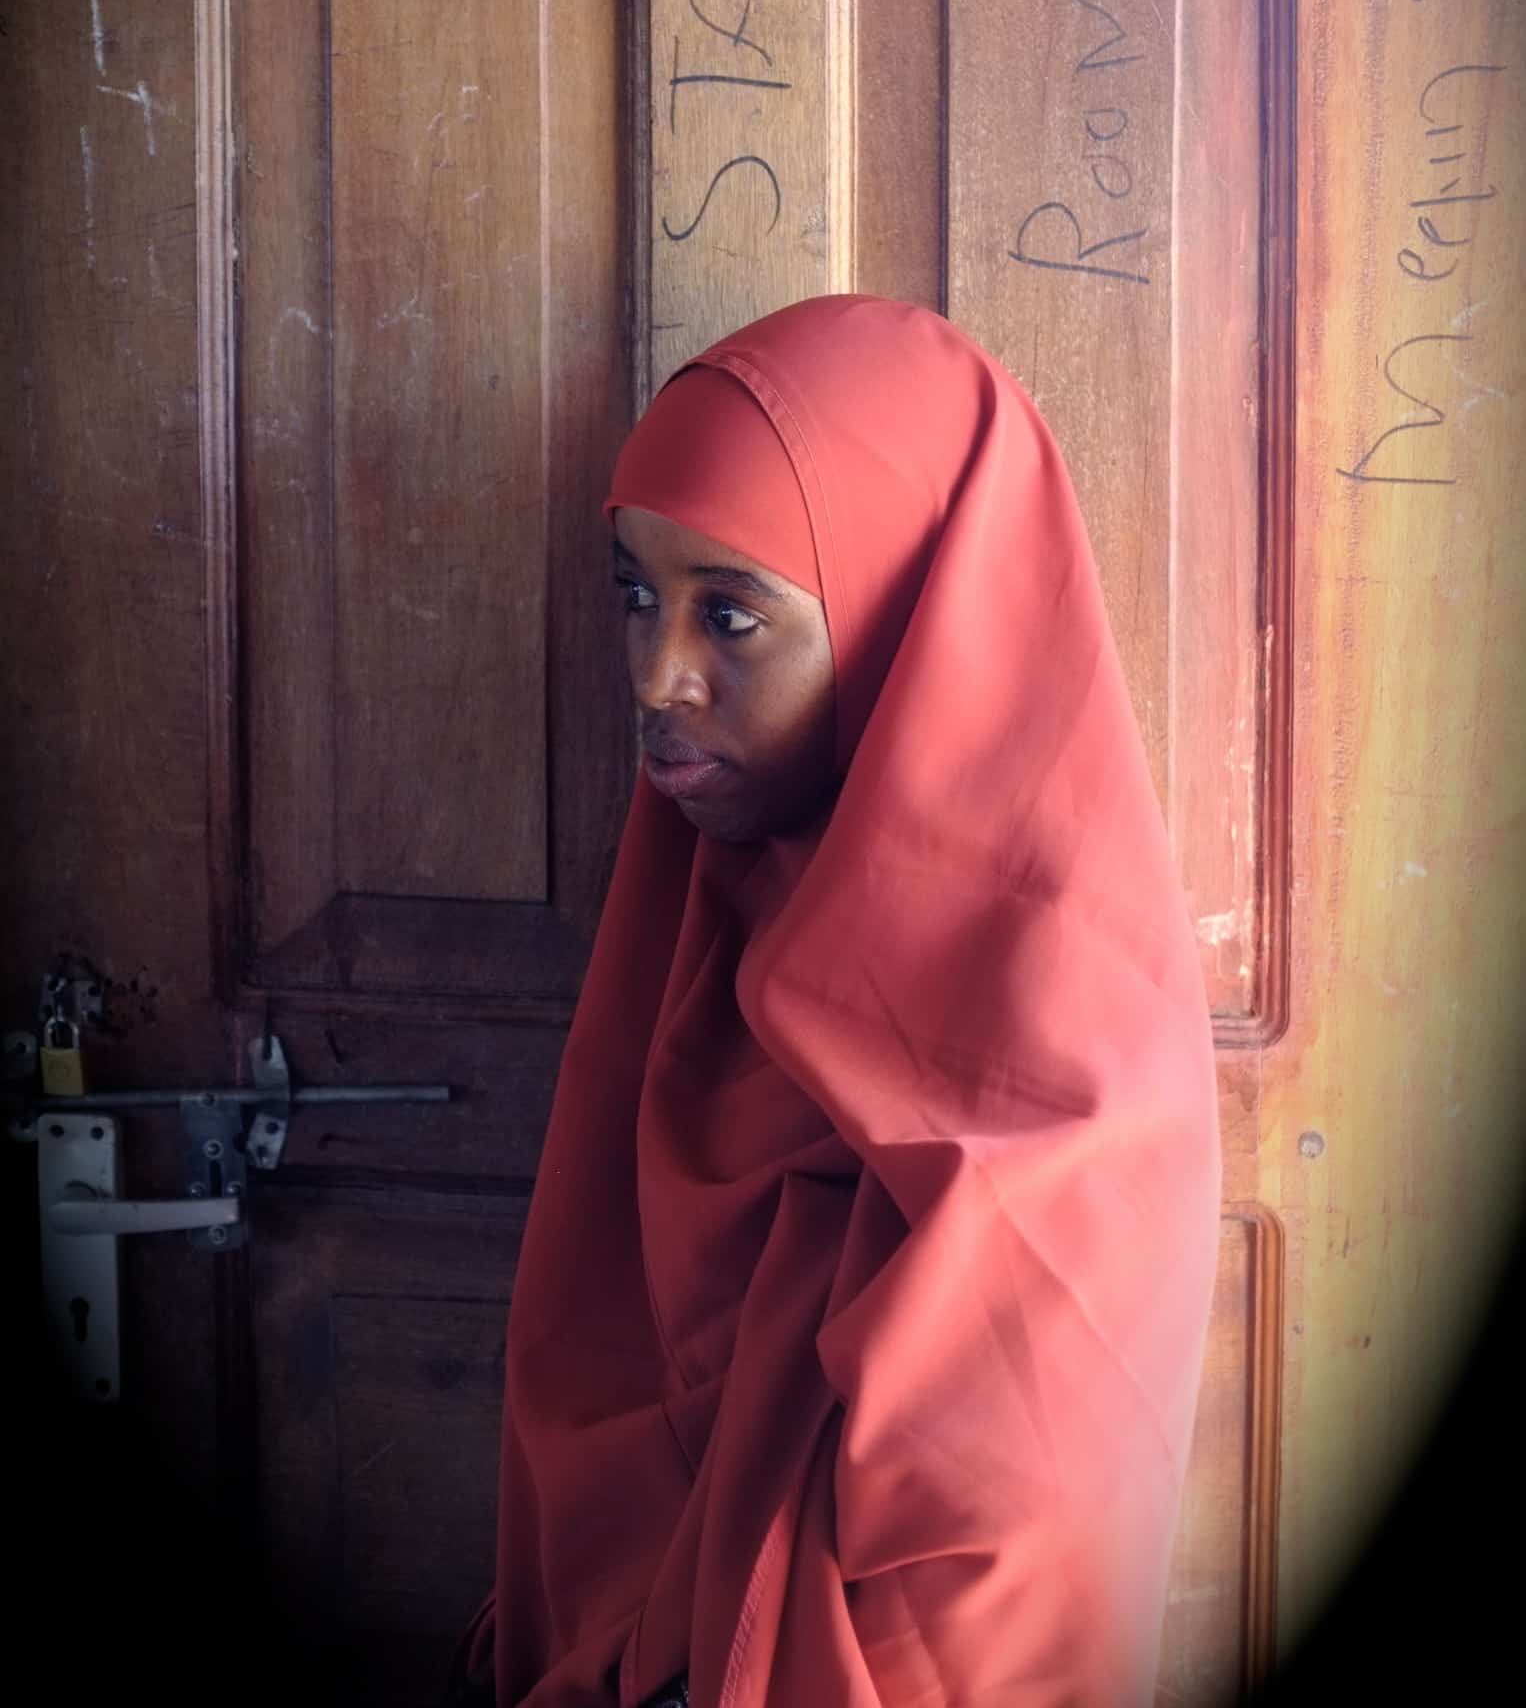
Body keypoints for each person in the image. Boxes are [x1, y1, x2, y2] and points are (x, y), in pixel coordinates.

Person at [451, 293, 1220, 1706]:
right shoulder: (700, 913)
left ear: (901, 621)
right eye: (636, 596)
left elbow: (1001, 1548)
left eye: (730, 614)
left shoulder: (1064, 1042)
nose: (659, 679)